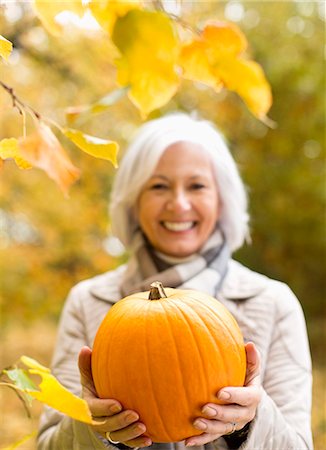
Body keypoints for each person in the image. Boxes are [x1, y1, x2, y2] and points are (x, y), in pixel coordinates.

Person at [37, 113, 313, 450]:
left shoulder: (273, 302)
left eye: (196, 186)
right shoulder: (88, 300)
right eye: (158, 186)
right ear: (133, 202)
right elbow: (48, 445)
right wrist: (91, 428)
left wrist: (249, 421)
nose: (179, 204)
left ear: (221, 198)